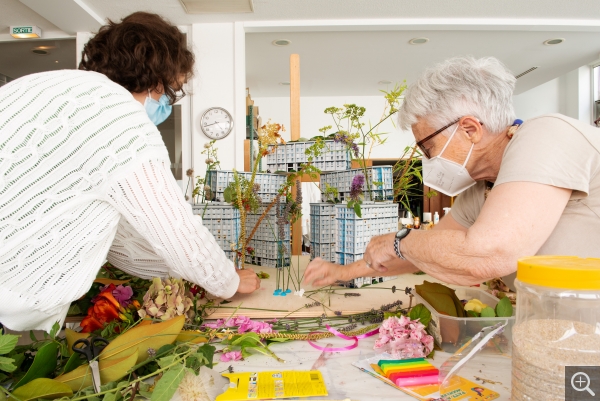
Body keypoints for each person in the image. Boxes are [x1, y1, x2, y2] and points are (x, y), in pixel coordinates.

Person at [0, 12, 259, 332]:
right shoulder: (119, 117)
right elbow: (175, 228)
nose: (167, 103)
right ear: (156, 79)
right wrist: (227, 282)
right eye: (172, 91)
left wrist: (203, 274)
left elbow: (120, 240)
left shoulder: (37, 86)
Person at [304, 56, 600, 289]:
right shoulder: (482, 189)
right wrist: (341, 272)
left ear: (470, 129)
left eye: (428, 146)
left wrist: (401, 240)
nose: (427, 159)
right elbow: (423, 255)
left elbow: (487, 255)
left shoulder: (545, 135)